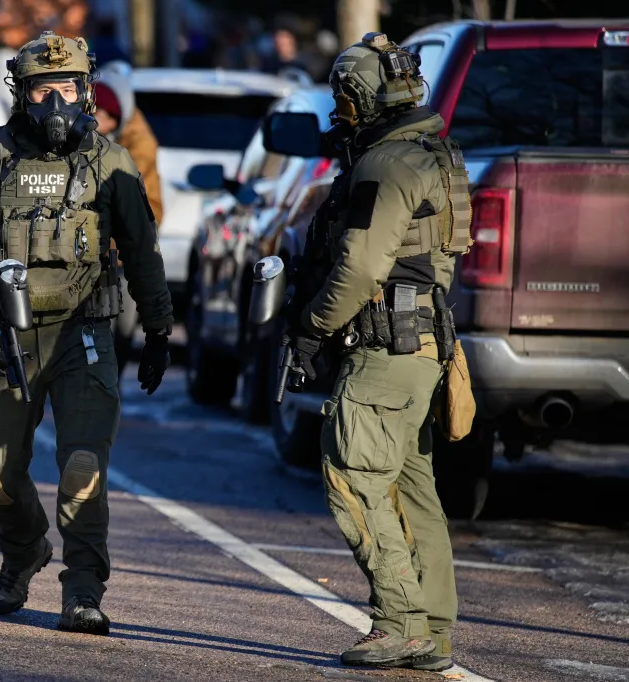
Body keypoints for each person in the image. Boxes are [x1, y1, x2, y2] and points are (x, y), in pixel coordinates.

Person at [0, 30, 173, 634]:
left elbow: (143, 252)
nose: (56, 105)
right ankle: (23, 554)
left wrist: (159, 329)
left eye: (67, 89)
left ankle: (84, 590)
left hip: (85, 335)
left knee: (83, 464)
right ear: (22, 94)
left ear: (87, 91)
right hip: (7, 337)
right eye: (43, 91)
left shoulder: (111, 161)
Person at [285, 33, 469, 671]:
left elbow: (362, 268)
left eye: (344, 98)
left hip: (384, 350)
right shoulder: (433, 156)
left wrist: (310, 326)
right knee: (414, 492)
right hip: (424, 349)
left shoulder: (386, 165)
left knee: (356, 480)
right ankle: (433, 630)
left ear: (363, 97)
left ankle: (399, 624)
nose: (340, 112)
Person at [93, 63, 164, 382]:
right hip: (92, 252)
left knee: (121, 324)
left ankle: (110, 383)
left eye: (102, 115)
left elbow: (145, 208)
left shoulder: (137, 147)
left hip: (122, 253)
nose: (95, 121)